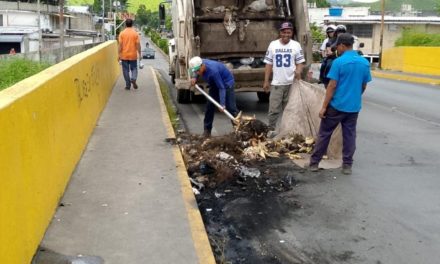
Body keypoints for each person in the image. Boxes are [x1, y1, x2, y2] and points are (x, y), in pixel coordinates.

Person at [308, 33, 372, 175]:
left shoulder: (339, 62)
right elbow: (364, 86)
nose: (337, 48)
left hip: (336, 106)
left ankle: (314, 163)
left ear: (343, 45)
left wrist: (324, 106)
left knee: (324, 134)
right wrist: (354, 97)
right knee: (349, 135)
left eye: (338, 46)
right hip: (353, 108)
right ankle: (347, 165)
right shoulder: (364, 63)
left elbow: (332, 86)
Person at [263, 21, 305, 137]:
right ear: (280, 32)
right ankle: (271, 130)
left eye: (289, 32)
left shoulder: (296, 45)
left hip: (291, 83)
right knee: (273, 109)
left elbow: (300, 62)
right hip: (277, 83)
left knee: (290, 109)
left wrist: (298, 71)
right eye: (284, 32)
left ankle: (288, 131)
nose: (286, 34)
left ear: (291, 33)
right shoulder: (273, 44)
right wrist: (266, 81)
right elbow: (268, 64)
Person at [189, 56, 238, 137]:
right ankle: (207, 131)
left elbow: (221, 87)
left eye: (198, 70)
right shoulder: (199, 63)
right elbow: (192, 71)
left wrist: (222, 104)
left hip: (226, 84)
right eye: (196, 71)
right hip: (214, 84)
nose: (197, 72)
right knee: (209, 107)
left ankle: (239, 129)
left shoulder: (213, 71)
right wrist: (194, 77)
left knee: (231, 108)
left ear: (202, 66)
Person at [118, 18, 141, 90]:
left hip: (124, 55)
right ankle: (133, 78)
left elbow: (120, 45)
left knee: (125, 70)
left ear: (125, 24)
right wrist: (140, 54)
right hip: (133, 55)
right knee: (134, 68)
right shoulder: (135, 33)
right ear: (132, 24)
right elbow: (138, 45)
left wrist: (119, 55)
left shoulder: (122, 33)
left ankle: (128, 85)